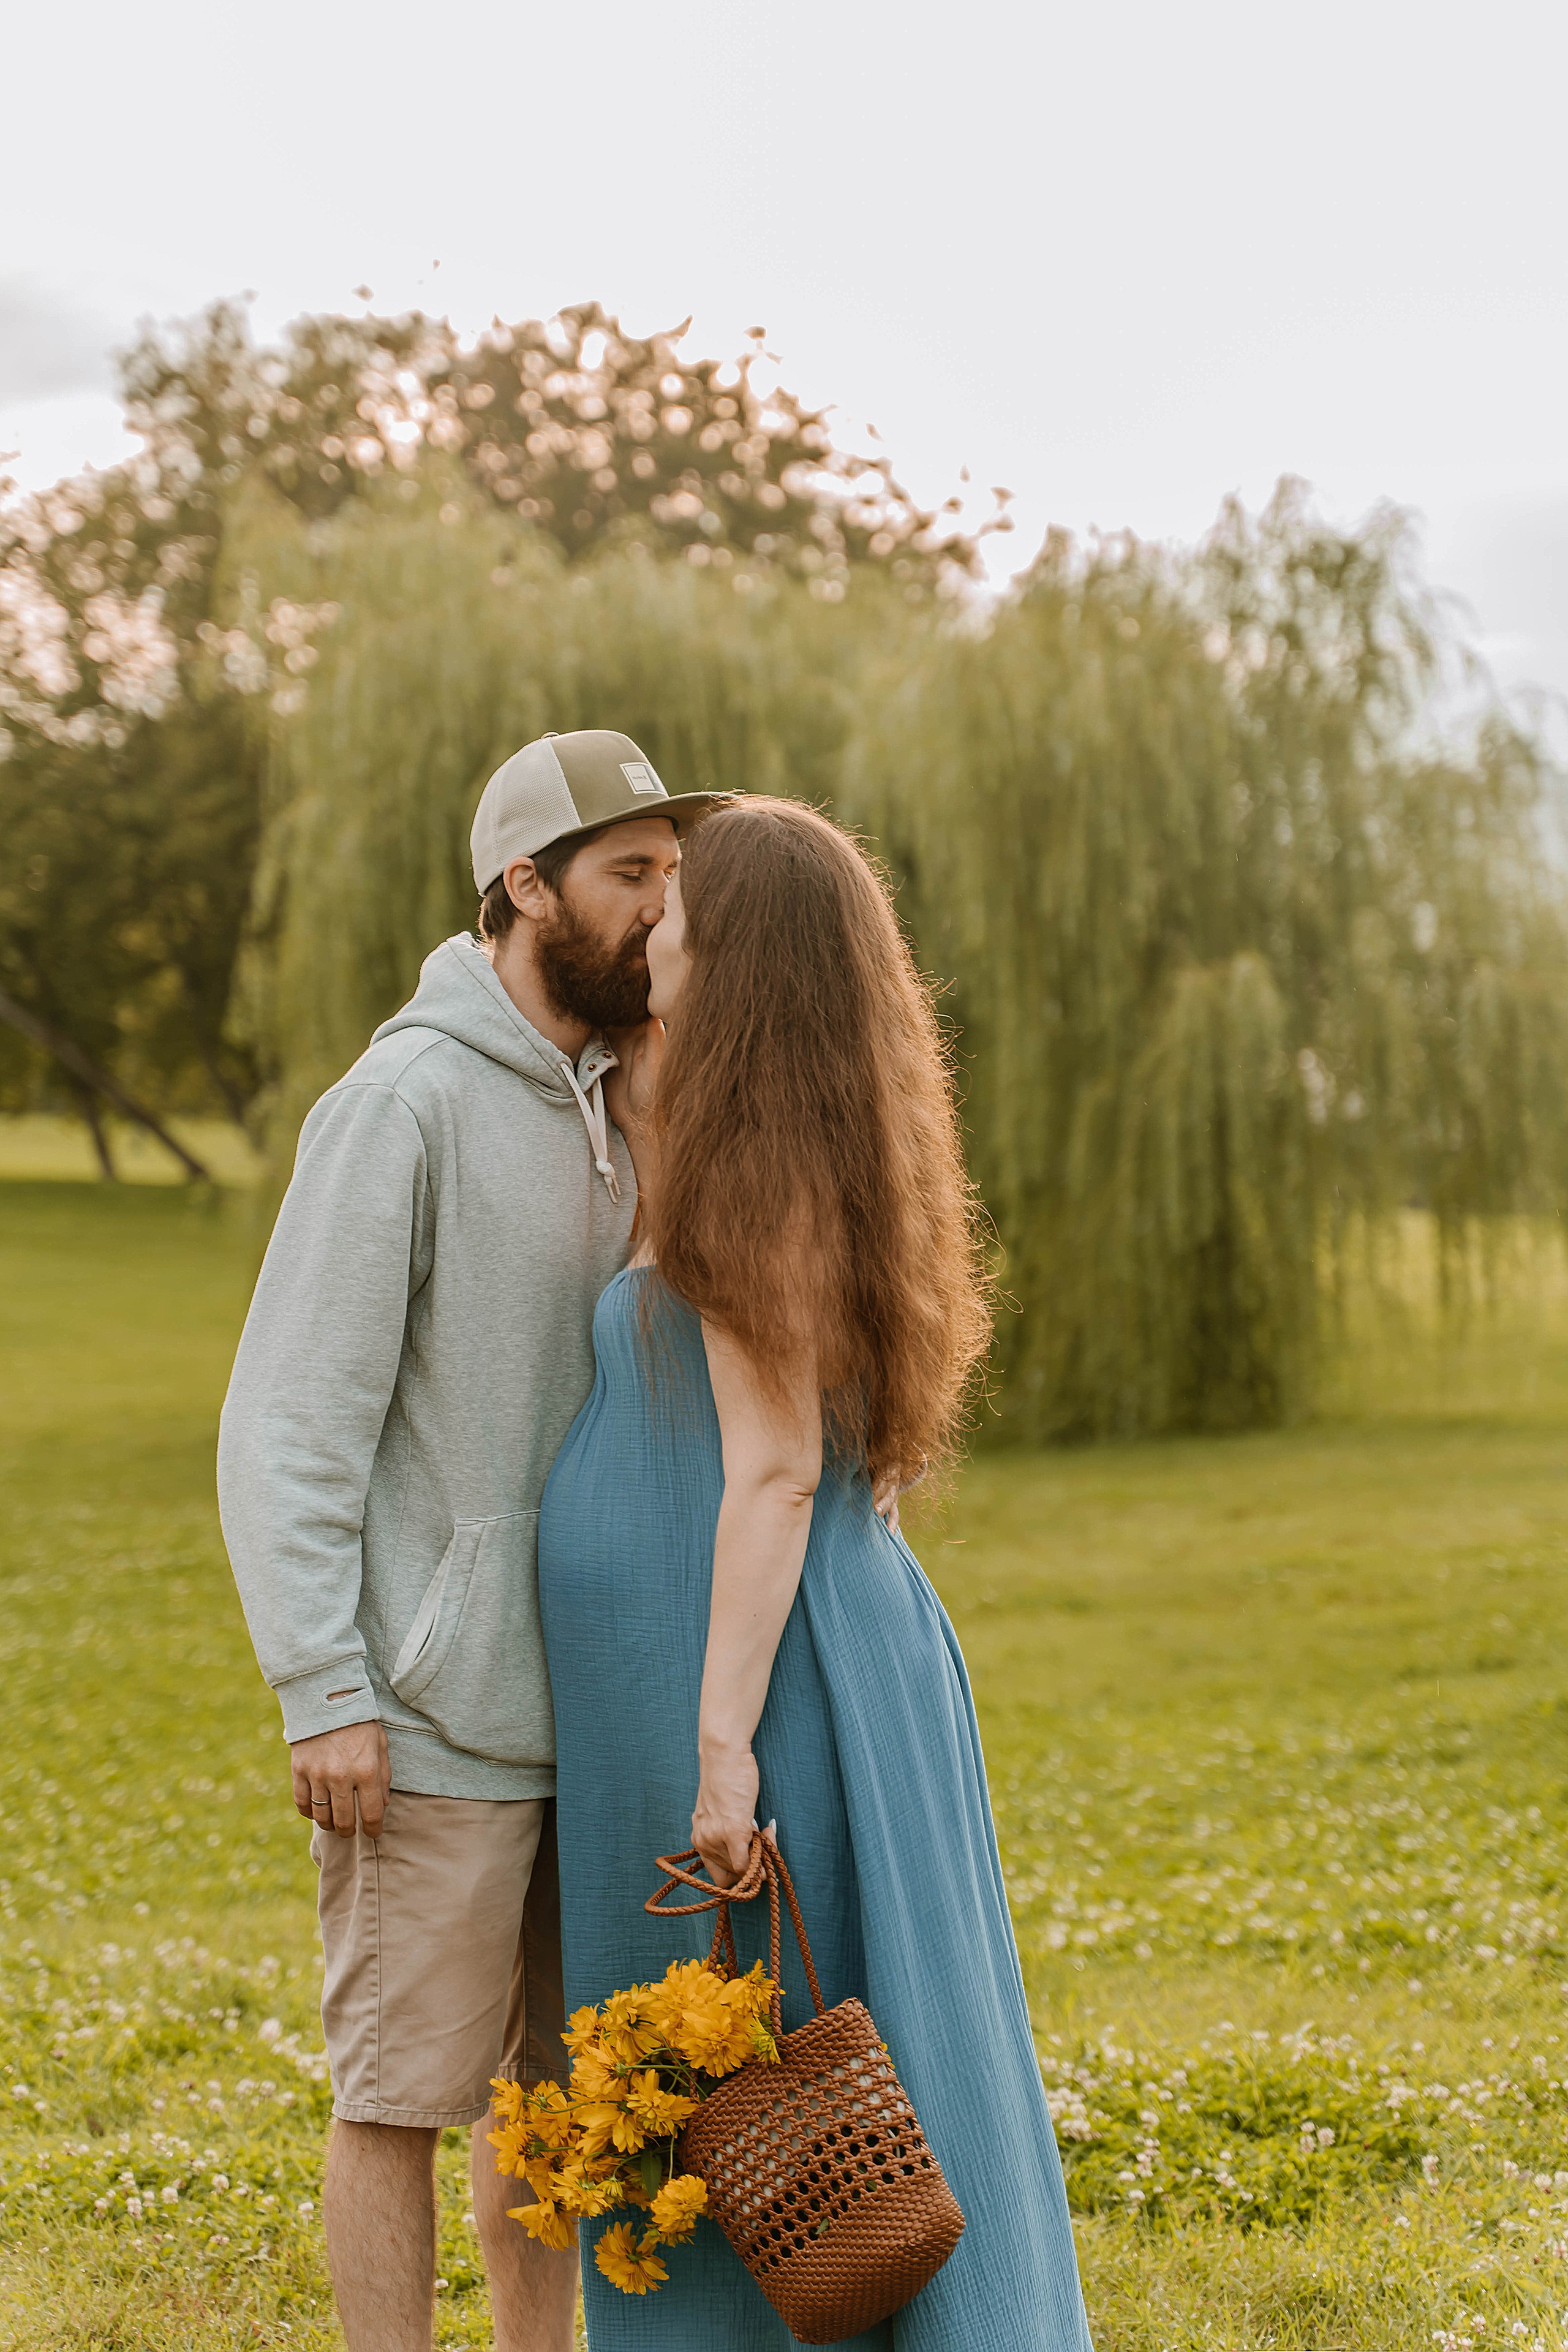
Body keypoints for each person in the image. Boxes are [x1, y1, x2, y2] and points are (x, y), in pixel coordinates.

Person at [538, 798, 1095, 2349]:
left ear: (745, 955)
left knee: (795, 2045)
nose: (652, 929)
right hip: (766, 1645)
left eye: (680, 912)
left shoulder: (759, 1164)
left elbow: (775, 1466)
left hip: (760, 1670)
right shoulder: (776, 1126)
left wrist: (724, 1751)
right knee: (775, 2040)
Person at [216, 728, 724, 2352]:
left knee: (557, 2100)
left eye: (671, 875)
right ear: (525, 885)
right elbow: (291, 1422)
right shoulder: (402, 1106)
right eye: (629, 873)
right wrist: (325, 1684)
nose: (662, 907)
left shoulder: (630, 1098)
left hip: (600, 1703)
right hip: (426, 1727)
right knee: (397, 2100)